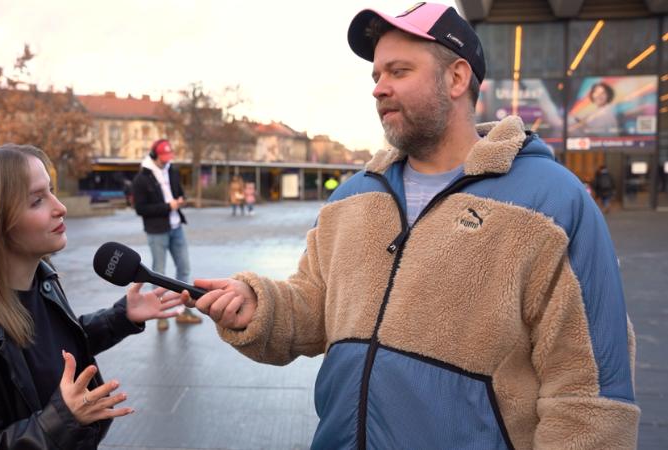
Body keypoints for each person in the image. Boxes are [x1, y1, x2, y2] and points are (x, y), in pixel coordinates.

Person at [188, 3, 639, 449]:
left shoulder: (551, 202)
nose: (379, 89)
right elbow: (315, 305)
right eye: (376, 76)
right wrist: (259, 306)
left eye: (398, 71)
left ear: (457, 77)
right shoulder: (351, 198)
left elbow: (589, 398)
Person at [0, 144, 187, 449]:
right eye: (37, 200)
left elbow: (52, 349)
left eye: (51, 191)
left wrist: (120, 317)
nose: (59, 206)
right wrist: (60, 420)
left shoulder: (40, 281)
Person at [132, 139, 202, 331]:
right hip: (157, 231)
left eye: (168, 157)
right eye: (163, 157)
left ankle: (183, 310)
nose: (166, 161)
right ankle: (159, 315)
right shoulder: (141, 179)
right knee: (158, 274)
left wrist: (181, 201)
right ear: (154, 155)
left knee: (184, 269)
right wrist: (167, 207)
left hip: (176, 227)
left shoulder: (172, 170)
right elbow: (140, 209)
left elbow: (179, 192)